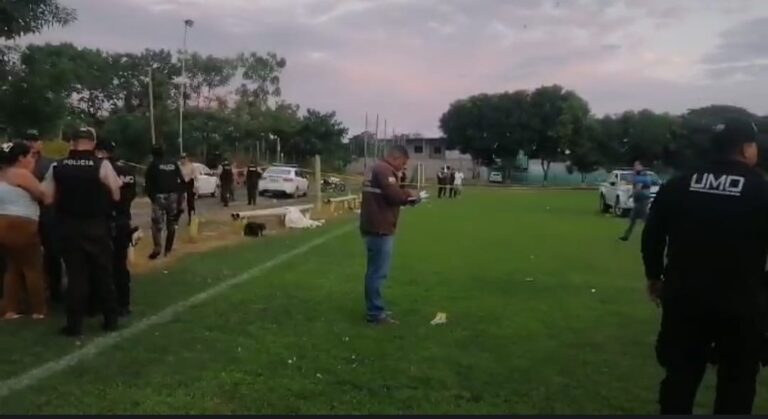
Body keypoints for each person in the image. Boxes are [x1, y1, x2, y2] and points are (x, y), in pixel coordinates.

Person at [641, 117, 768, 414]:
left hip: (684, 300)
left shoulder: (679, 184)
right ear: (746, 148)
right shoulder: (760, 191)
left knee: (680, 378)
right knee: (736, 382)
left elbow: (653, 236)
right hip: (741, 304)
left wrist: (654, 276)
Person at [43, 128, 122, 336]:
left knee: (76, 276)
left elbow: (48, 198)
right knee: (103, 274)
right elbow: (116, 194)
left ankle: (74, 325)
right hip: (96, 226)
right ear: (93, 143)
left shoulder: (57, 166)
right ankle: (110, 320)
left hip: (68, 226)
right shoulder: (101, 164)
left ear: (72, 143)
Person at [360, 145, 419, 325]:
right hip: (380, 227)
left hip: (373, 225)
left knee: (374, 272)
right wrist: (411, 197)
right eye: (403, 162)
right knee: (378, 273)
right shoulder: (384, 169)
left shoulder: (375, 168)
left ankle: (375, 310)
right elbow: (394, 195)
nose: (403, 166)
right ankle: (375, 313)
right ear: (395, 157)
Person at [0, 142, 52, 320]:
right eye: (31, 156)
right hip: (22, 223)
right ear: (21, 157)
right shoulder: (22, 174)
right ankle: (38, 309)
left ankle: (10, 309)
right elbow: (43, 196)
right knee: (33, 268)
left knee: (12, 268)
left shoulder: (3, 174)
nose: (33, 161)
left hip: (3, 223)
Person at [95, 141, 136, 317]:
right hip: (122, 219)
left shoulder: (101, 168)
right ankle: (123, 304)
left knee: (101, 264)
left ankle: (100, 303)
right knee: (120, 264)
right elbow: (131, 194)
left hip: (104, 220)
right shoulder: (126, 168)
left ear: (101, 151)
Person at [23, 130, 62, 303]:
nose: (31, 143)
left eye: (34, 140)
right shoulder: (17, 163)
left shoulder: (51, 164)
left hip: (47, 215)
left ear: (41, 143)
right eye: (28, 140)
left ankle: (55, 290)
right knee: (25, 255)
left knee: (52, 253)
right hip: (25, 214)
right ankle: (27, 293)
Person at [145, 144, 185, 260]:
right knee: (171, 224)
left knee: (156, 225)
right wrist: (179, 196)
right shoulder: (173, 163)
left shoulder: (153, 165)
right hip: (173, 196)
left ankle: (157, 247)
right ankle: (168, 249)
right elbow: (182, 181)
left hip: (159, 197)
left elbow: (148, 184)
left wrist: (153, 198)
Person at [620, 161, 653, 242]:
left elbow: (639, 187)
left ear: (641, 166)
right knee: (633, 219)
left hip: (642, 202)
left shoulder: (642, 176)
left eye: (637, 165)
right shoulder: (638, 176)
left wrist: (635, 191)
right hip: (639, 202)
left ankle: (653, 235)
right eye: (634, 166)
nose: (635, 167)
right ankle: (626, 236)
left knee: (645, 220)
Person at [179, 154, 198, 226]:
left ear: (187, 159)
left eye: (184, 158)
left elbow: (195, 176)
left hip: (190, 184)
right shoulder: (179, 166)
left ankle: (191, 219)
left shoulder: (191, 166)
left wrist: (195, 187)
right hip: (181, 184)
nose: (182, 160)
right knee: (178, 202)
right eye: (181, 158)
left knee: (190, 203)